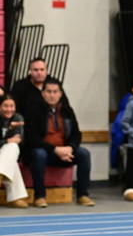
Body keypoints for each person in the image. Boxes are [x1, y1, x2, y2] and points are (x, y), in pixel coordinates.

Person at [24, 77, 94, 207]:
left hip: (64, 151)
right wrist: (55, 149)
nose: (52, 95)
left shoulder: (67, 110)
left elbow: (76, 134)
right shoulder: (33, 110)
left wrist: (70, 148)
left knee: (84, 154)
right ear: (43, 93)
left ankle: (83, 195)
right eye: (49, 92)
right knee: (39, 154)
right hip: (43, 152)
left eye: (55, 92)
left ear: (60, 94)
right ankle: (39, 196)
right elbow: (31, 138)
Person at [0, 94, 29, 208]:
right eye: (6, 106)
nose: (9, 109)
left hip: (7, 154)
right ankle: (15, 198)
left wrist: (10, 134)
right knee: (10, 158)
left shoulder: (18, 118)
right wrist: (8, 138)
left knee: (13, 148)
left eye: (12, 106)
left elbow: (19, 141)